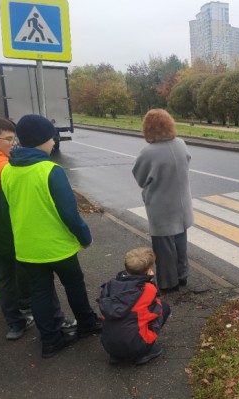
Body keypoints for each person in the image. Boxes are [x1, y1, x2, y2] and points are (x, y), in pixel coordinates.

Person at [0, 114, 101, 358]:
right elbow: (69, 212)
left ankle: (51, 340)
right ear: (43, 141)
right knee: (74, 284)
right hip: (58, 246)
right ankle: (87, 324)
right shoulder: (50, 170)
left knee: (40, 292)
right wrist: (85, 237)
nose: (54, 143)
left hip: (27, 248)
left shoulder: (7, 171)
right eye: (51, 138)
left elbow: (7, 210)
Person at [132, 109, 194, 293]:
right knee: (181, 242)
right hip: (182, 205)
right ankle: (182, 276)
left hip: (162, 207)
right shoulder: (181, 144)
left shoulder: (148, 152)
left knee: (164, 248)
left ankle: (169, 284)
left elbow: (141, 179)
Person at [0, 116, 35, 339]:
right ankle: (29, 309)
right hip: (12, 233)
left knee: (4, 280)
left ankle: (15, 324)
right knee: (27, 274)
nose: (13, 144)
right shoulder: (4, 168)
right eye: (8, 139)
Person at [98, 247, 171, 365]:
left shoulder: (111, 285)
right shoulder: (147, 289)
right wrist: (150, 281)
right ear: (148, 271)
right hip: (136, 346)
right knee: (164, 307)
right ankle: (142, 353)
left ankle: (118, 355)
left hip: (109, 345)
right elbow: (155, 312)